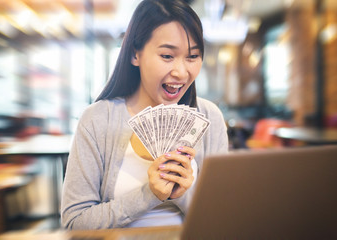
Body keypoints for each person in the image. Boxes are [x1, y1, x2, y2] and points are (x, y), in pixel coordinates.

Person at [61, 0, 228, 229]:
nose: (180, 72)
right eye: (167, 56)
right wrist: (150, 194)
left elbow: (222, 219)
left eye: (192, 57)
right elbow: (75, 224)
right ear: (134, 55)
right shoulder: (98, 119)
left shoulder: (209, 117)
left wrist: (179, 193)